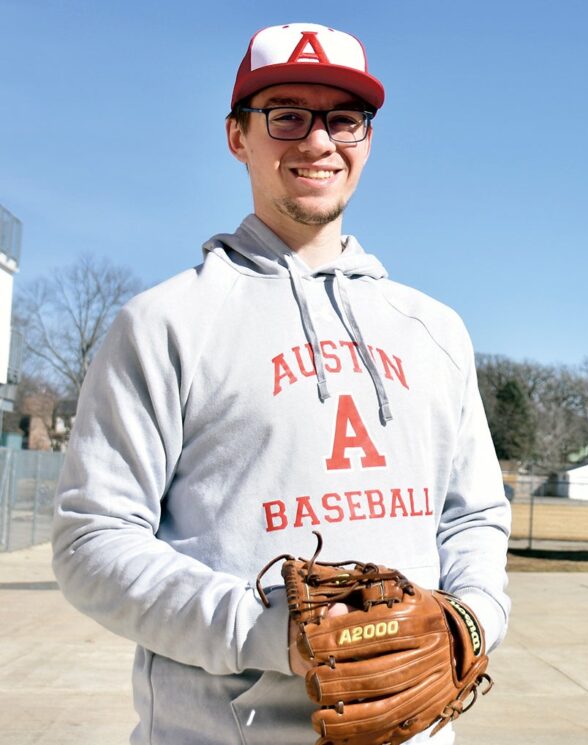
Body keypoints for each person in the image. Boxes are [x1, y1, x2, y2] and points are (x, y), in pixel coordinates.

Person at [51, 22, 511, 745]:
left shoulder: (435, 329)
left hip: (413, 730)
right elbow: (92, 540)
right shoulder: (166, 322)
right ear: (238, 135)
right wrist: (271, 633)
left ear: (368, 137)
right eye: (286, 115)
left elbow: (473, 516)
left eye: (343, 118)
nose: (318, 141)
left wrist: (470, 619)